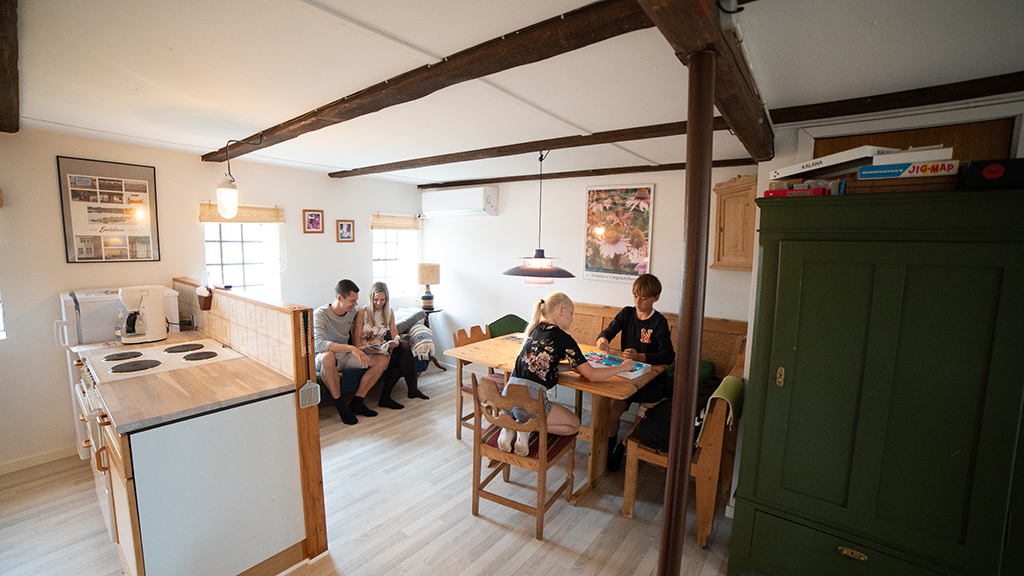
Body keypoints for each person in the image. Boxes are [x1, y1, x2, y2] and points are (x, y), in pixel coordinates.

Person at [497, 291, 634, 457]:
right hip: (531, 401)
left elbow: (539, 367)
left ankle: (512, 426)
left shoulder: (534, 329)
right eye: (571, 313)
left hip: (508, 396)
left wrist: (571, 367)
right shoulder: (563, 338)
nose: (572, 319)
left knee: (530, 411)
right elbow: (592, 375)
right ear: (560, 310)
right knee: (574, 425)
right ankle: (526, 427)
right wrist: (623, 367)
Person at [595, 274, 675, 470]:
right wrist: (602, 339)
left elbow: (668, 355)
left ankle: (621, 449)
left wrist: (641, 356)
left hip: (651, 381)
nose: (638, 302)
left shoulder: (659, 322)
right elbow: (608, 331)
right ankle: (610, 445)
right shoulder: (627, 313)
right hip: (628, 378)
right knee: (612, 414)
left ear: (656, 297)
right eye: (635, 296)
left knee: (638, 424)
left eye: (644, 298)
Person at [313, 279, 389, 425]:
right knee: (328, 357)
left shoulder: (352, 312)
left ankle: (357, 401)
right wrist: (351, 348)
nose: (355, 304)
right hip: (324, 357)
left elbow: (365, 327)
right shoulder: (320, 314)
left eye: (356, 301)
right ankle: (340, 406)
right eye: (352, 300)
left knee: (382, 360)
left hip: (346, 357)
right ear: (340, 298)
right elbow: (319, 344)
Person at [353, 282, 429, 410]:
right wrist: (367, 350)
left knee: (403, 346)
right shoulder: (362, 312)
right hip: (367, 350)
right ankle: (405, 392)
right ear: (371, 297)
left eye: (382, 300)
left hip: (381, 348)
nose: (379, 303)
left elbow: (395, 334)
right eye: (376, 299)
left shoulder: (388, 312)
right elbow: (356, 342)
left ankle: (403, 392)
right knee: (399, 358)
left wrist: (396, 340)